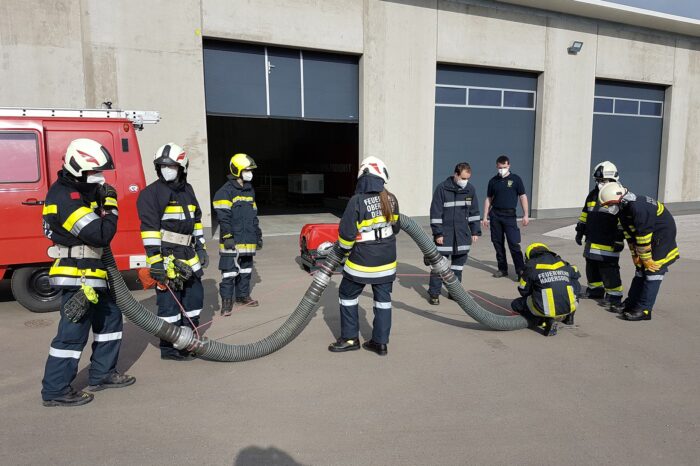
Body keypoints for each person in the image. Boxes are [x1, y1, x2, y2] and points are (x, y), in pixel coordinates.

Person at [40, 138, 135, 406]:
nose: (99, 177)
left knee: (110, 322)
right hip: (77, 276)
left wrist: (100, 196)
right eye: (94, 172)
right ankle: (55, 390)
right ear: (76, 168)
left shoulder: (81, 191)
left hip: (94, 274)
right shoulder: (65, 197)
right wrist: (112, 206)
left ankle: (102, 374)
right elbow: (100, 233)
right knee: (72, 334)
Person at [137, 143, 208, 361]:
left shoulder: (188, 190)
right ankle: (170, 349)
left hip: (189, 254)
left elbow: (196, 221)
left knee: (194, 300)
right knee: (170, 306)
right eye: (162, 166)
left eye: (171, 166)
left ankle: (189, 341)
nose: (166, 169)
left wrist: (202, 247)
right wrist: (156, 263)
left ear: (181, 167)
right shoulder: (151, 194)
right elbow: (149, 231)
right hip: (167, 257)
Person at [328, 156, 400, 356]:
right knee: (383, 301)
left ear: (363, 176)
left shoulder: (357, 200)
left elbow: (347, 234)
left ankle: (350, 338)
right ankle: (380, 343)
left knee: (347, 294)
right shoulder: (391, 198)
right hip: (387, 260)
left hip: (362, 261)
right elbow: (396, 228)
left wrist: (341, 251)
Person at [599, 182, 679, 321]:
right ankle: (631, 303)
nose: (610, 208)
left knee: (653, 272)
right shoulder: (624, 209)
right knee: (640, 270)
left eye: (611, 205)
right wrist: (635, 255)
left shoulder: (638, 208)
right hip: (647, 237)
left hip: (660, 237)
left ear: (621, 199)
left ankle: (645, 310)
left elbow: (643, 236)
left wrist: (646, 259)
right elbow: (629, 234)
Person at [212, 153, 263, 316]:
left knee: (246, 270)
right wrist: (227, 237)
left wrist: (258, 234)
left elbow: (253, 215)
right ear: (238, 170)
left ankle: (242, 296)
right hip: (232, 241)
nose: (250, 173)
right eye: (247, 170)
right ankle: (226, 303)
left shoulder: (249, 191)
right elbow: (223, 217)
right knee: (229, 272)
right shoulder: (225, 192)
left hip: (247, 240)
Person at [427, 162, 481, 305]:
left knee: (457, 268)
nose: (465, 182)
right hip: (445, 236)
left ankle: (454, 292)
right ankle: (434, 294)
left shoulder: (470, 190)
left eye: (467, 179)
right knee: (439, 267)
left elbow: (474, 212)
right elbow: (436, 213)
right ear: (456, 174)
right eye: (463, 178)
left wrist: (475, 230)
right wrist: (438, 234)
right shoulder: (442, 189)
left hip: (462, 236)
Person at [575, 161, 625, 308]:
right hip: (592, 239)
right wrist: (580, 230)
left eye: (603, 180)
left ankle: (614, 296)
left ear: (613, 180)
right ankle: (595, 290)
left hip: (608, 241)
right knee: (591, 267)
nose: (600, 183)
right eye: (598, 180)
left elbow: (622, 220)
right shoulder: (592, 195)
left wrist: (619, 238)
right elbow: (585, 213)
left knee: (608, 270)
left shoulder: (618, 194)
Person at [511, 243, 581, 336]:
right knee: (573, 286)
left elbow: (523, 291)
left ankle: (545, 320)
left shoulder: (531, 266)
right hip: (570, 306)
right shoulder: (562, 262)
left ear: (528, 256)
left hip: (543, 309)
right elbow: (576, 278)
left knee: (516, 304)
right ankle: (569, 318)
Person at [482, 155, 528, 278]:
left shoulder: (516, 179)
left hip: (510, 215)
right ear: (497, 166)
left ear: (509, 166)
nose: (502, 169)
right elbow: (488, 199)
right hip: (495, 215)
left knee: (514, 243)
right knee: (498, 243)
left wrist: (526, 215)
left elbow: (522, 196)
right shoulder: (493, 181)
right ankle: (502, 269)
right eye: (500, 167)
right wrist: (485, 217)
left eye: (505, 167)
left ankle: (520, 270)